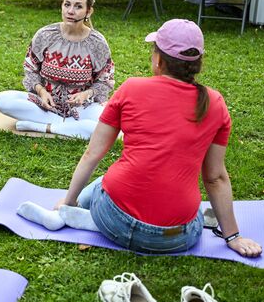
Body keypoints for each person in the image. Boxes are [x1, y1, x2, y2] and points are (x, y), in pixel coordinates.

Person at [17, 19, 262, 258]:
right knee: (188, 206)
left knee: (106, 180)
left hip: (116, 220)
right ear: (197, 63)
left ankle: (76, 215)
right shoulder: (215, 103)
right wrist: (233, 237)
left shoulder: (131, 88)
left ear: (158, 60)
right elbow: (215, 177)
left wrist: (67, 202)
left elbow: (93, 153)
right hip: (178, 237)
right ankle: (94, 219)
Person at [0, 0, 114, 139]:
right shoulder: (45, 35)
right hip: (45, 105)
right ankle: (72, 127)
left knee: (110, 126)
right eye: (67, 4)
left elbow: (105, 80)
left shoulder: (97, 43)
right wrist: (42, 92)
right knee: (2, 100)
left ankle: (42, 127)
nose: (70, 11)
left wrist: (85, 94)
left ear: (88, 11)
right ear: (61, 6)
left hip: (83, 108)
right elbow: (31, 69)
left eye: (78, 6)